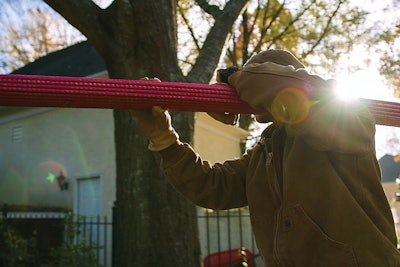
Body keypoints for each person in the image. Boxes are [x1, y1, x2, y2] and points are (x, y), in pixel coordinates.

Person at [130, 50, 400, 266]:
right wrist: (165, 139)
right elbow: (213, 186)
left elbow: (291, 93)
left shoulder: (345, 116)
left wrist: (231, 78)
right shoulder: (264, 153)